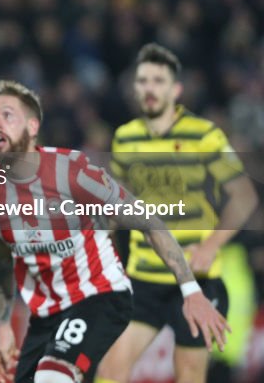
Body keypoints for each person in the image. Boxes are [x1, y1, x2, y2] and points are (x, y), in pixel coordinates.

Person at [0, 80, 230, 383]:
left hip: (99, 295)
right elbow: (2, 257)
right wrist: (3, 328)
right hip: (46, 314)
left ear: (32, 126)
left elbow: (147, 221)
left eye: (7, 115)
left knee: (52, 376)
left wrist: (190, 290)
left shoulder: (72, 172)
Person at [96, 44, 258, 383]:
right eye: (143, 81)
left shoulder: (204, 136)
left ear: (176, 89)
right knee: (110, 370)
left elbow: (243, 197)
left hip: (198, 281)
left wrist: (211, 247)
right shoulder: (125, 139)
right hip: (144, 278)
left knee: (188, 373)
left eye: (158, 80)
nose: (150, 89)